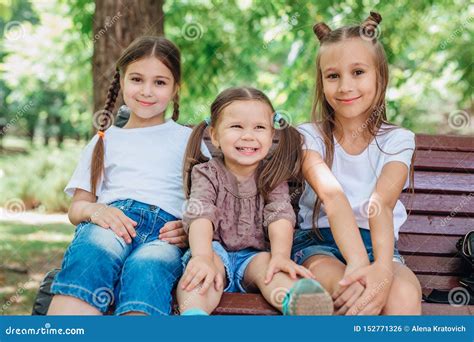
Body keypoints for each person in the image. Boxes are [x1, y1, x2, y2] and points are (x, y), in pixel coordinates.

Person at [48, 36, 206, 316]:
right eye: (136, 79)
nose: (147, 91)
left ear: (175, 89)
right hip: (111, 223)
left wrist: (190, 226)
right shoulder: (104, 140)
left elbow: (213, 197)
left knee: (148, 269)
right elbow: (77, 209)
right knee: (94, 252)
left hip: (164, 236)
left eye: (159, 82)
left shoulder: (190, 140)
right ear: (121, 81)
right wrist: (96, 211)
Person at [292, 11, 422, 315]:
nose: (345, 86)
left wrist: (382, 269)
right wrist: (359, 265)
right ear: (322, 81)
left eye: (358, 72)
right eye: (333, 75)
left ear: (380, 75)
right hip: (319, 244)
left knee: (402, 295)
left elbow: (382, 204)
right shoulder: (307, 137)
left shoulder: (398, 139)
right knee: (351, 291)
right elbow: (332, 196)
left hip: (379, 247)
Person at [177, 87, 334, 316]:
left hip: (253, 257)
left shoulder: (271, 176)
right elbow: (201, 213)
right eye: (236, 126)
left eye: (259, 127)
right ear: (215, 135)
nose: (248, 136)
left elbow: (279, 216)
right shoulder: (206, 173)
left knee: (271, 269)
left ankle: (303, 302)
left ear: (271, 136)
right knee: (203, 275)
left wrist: (280, 256)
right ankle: (194, 314)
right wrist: (201, 256)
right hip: (213, 249)